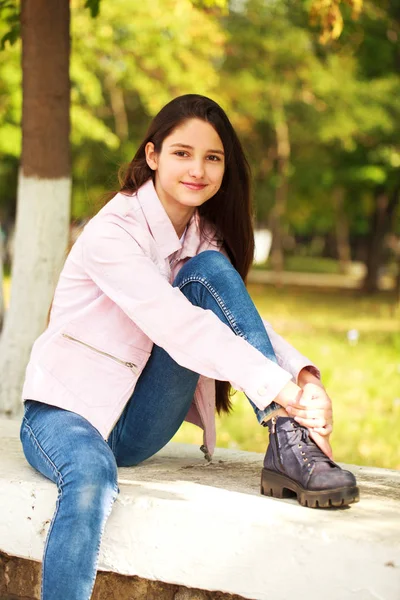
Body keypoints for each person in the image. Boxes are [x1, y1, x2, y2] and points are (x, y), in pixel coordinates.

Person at [20, 94, 359, 600]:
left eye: (213, 157)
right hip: (64, 414)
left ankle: (287, 437)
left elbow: (234, 318)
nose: (198, 169)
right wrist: (281, 389)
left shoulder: (201, 237)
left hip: (136, 424)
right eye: (182, 153)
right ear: (152, 156)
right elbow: (178, 325)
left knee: (212, 276)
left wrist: (304, 378)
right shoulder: (112, 233)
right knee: (90, 474)